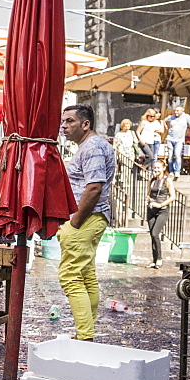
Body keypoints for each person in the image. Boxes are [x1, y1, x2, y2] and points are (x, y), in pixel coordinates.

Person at [57, 104, 116, 342]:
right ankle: (86, 333)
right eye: (63, 121)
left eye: (70, 121)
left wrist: (75, 221)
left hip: (87, 218)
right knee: (86, 275)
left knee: (70, 275)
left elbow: (94, 187)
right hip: (93, 217)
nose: (64, 126)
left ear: (85, 124)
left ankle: (85, 336)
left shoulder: (91, 146)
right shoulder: (92, 145)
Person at [145, 159, 176, 269]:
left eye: (158, 168)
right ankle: (154, 260)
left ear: (163, 168)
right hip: (151, 210)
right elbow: (148, 193)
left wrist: (161, 204)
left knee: (155, 233)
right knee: (152, 235)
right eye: (154, 168)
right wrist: (147, 200)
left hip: (162, 210)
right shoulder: (151, 180)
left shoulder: (167, 181)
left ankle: (159, 258)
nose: (156, 170)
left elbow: (173, 197)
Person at [164, 105, 190, 178]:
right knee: (170, 156)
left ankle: (177, 171)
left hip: (179, 140)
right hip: (170, 139)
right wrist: (165, 127)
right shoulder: (171, 117)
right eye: (175, 110)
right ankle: (171, 171)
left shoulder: (186, 117)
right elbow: (163, 121)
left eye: (178, 111)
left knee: (177, 154)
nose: (176, 112)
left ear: (182, 111)